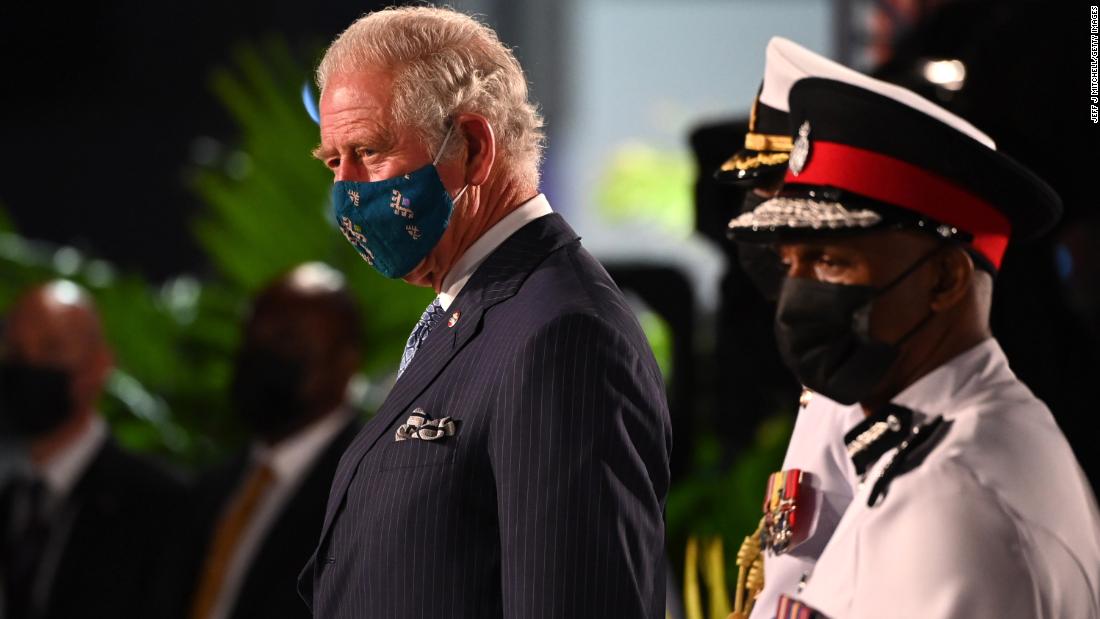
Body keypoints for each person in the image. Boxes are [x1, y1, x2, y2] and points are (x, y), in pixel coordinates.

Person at [299, 6, 672, 618]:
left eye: (367, 151)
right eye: (333, 161)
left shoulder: (562, 335)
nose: (348, 189)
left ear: (472, 147)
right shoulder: (473, 311)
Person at [729, 75, 1100, 618]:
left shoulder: (950, 497)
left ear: (945, 280)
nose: (796, 296)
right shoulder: (946, 442)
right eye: (791, 266)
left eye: (831, 263)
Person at [0, 280, 187, 619]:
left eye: (51, 348)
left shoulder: (160, 506)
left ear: (98, 365)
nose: (29, 365)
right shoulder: (10, 498)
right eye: (15, 351)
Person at [185, 263, 362, 619]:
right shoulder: (212, 488)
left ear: (345, 362)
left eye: (287, 338)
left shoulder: (369, 489)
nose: (261, 352)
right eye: (252, 335)